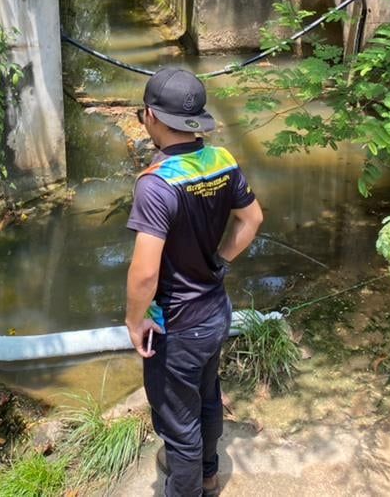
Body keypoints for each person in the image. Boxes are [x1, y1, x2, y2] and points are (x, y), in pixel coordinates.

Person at [125, 67, 264, 497]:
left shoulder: (155, 185)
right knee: (206, 396)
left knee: (178, 425)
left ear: (150, 115)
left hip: (179, 325)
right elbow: (252, 219)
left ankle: (187, 487)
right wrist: (219, 260)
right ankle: (208, 472)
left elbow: (146, 272)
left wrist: (134, 321)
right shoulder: (222, 160)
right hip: (215, 312)